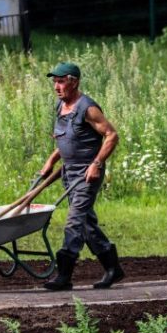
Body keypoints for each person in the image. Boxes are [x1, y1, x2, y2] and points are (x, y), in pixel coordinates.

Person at [39, 62, 124, 291]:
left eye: (61, 81)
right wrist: (51, 160)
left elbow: (111, 135)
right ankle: (113, 268)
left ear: (73, 81)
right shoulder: (61, 106)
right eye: (54, 82)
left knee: (75, 220)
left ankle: (64, 276)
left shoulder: (88, 108)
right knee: (86, 223)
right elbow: (67, 139)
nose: (56, 87)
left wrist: (97, 163)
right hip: (68, 172)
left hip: (87, 174)